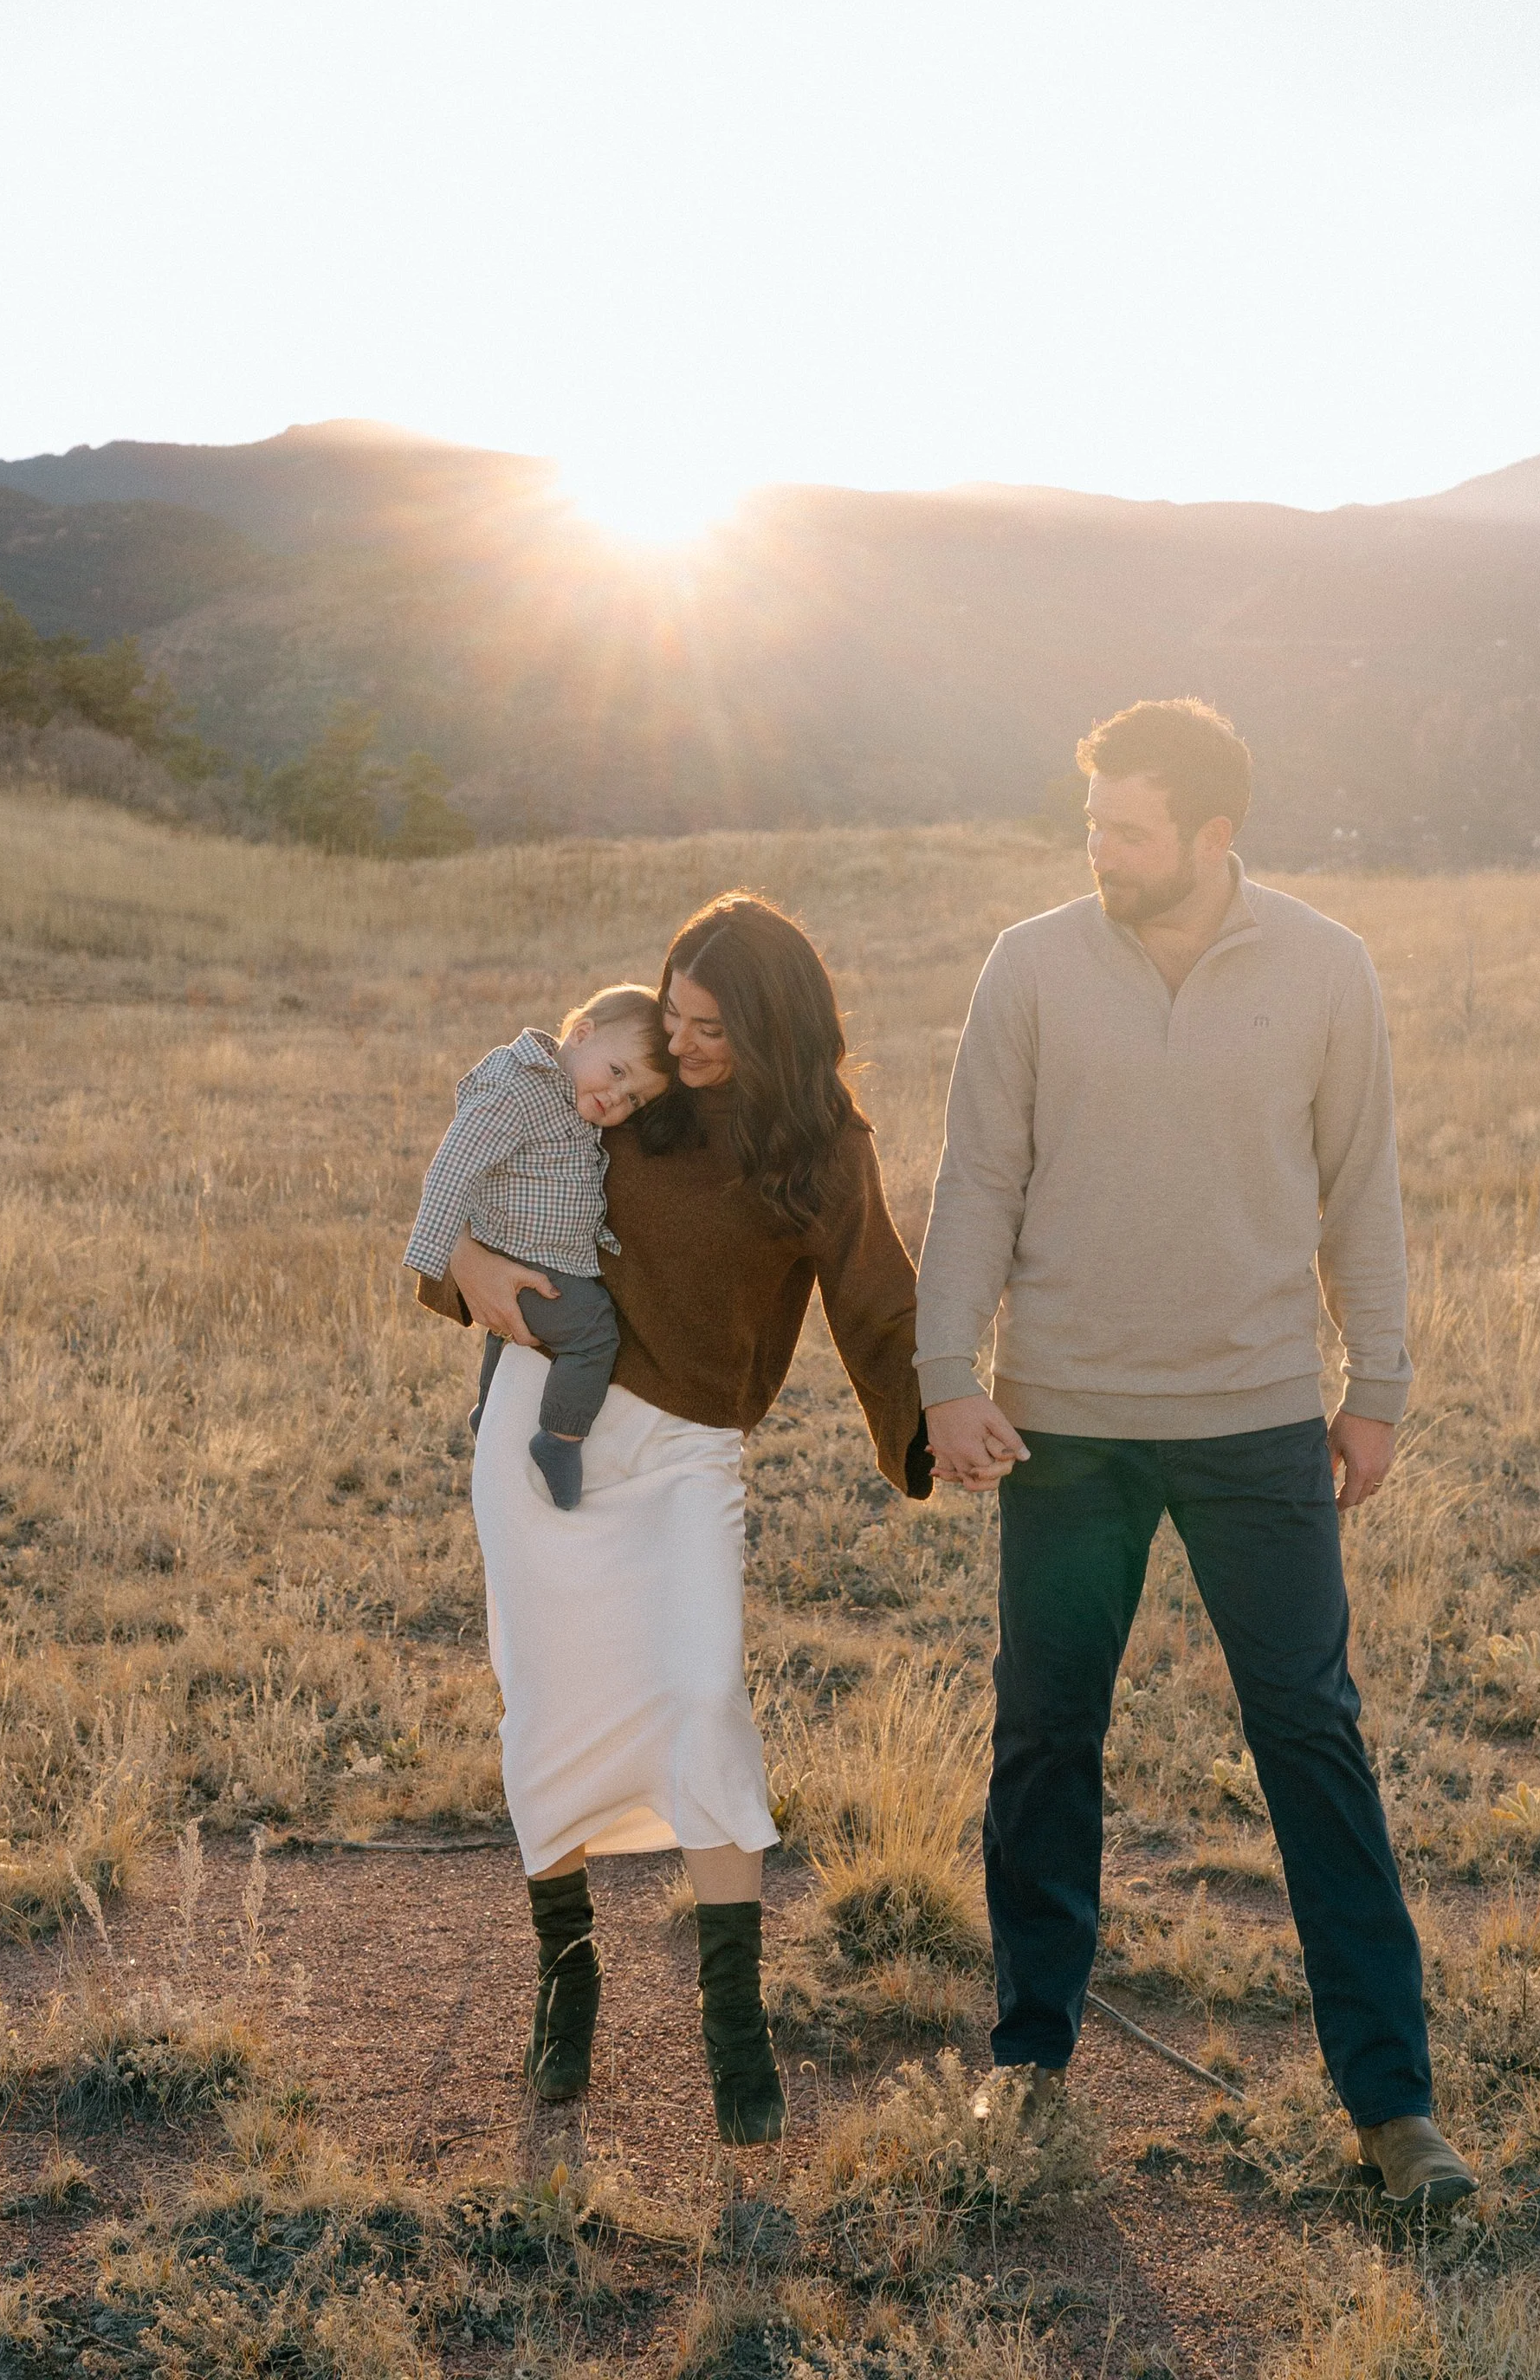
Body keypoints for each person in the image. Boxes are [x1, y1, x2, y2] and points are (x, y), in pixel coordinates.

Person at [915, 698, 1477, 2210]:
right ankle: (1029, 2055)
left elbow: (1364, 1187)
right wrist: (943, 1370)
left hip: (1259, 1417)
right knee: (1045, 1734)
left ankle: (1393, 2105)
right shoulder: (1031, 960)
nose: (1101, 849)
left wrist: (1381, 1383)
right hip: (1066, 1422)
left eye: (1130, 828)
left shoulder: (1324, 967)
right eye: (1092, 821)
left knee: (1312, 1736)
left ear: (1215, 836)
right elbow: (977, 1173)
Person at [430, 892, 929, 2145]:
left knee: (704, 1694)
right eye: (674, 1015)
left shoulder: (821, 1147)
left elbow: (876, 1308)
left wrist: (937, 1426)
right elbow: (478, 1180)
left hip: (690, 1453)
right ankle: (567, 1981)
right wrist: (466, 1273)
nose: (680, 1044)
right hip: (548, 1420)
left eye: (709, 1029)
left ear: (774, 1026)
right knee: (542, 1700)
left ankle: (734, 2027)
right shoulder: (625, 1090)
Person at [401, 985, 672, 1507]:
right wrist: (435, 1258)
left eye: (634, 1098)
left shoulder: (564, 1095)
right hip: (524, 1258)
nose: (618, 1098)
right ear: (582, 1033)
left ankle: (489, 1413)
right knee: (593, 1330)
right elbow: (455, 1166)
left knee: (504, 1336)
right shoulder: (520, 1091)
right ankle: (560, 1439)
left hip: (542, 1251)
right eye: (617, 1072)